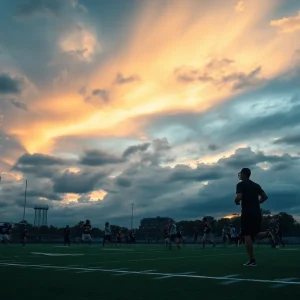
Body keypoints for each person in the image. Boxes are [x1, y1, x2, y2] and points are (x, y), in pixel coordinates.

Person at [235, 168, 273, 266]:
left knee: (247, 235)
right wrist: (257, 203)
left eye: (241, 174)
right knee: (255, 234)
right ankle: (269, 233)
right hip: (257, 212)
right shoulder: (256, 185)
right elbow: (264, 196)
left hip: (247, 212)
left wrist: (236, 201)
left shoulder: (240, 185)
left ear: (244, 174)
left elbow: (239, 197)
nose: (240, 175)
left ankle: (252, 260)